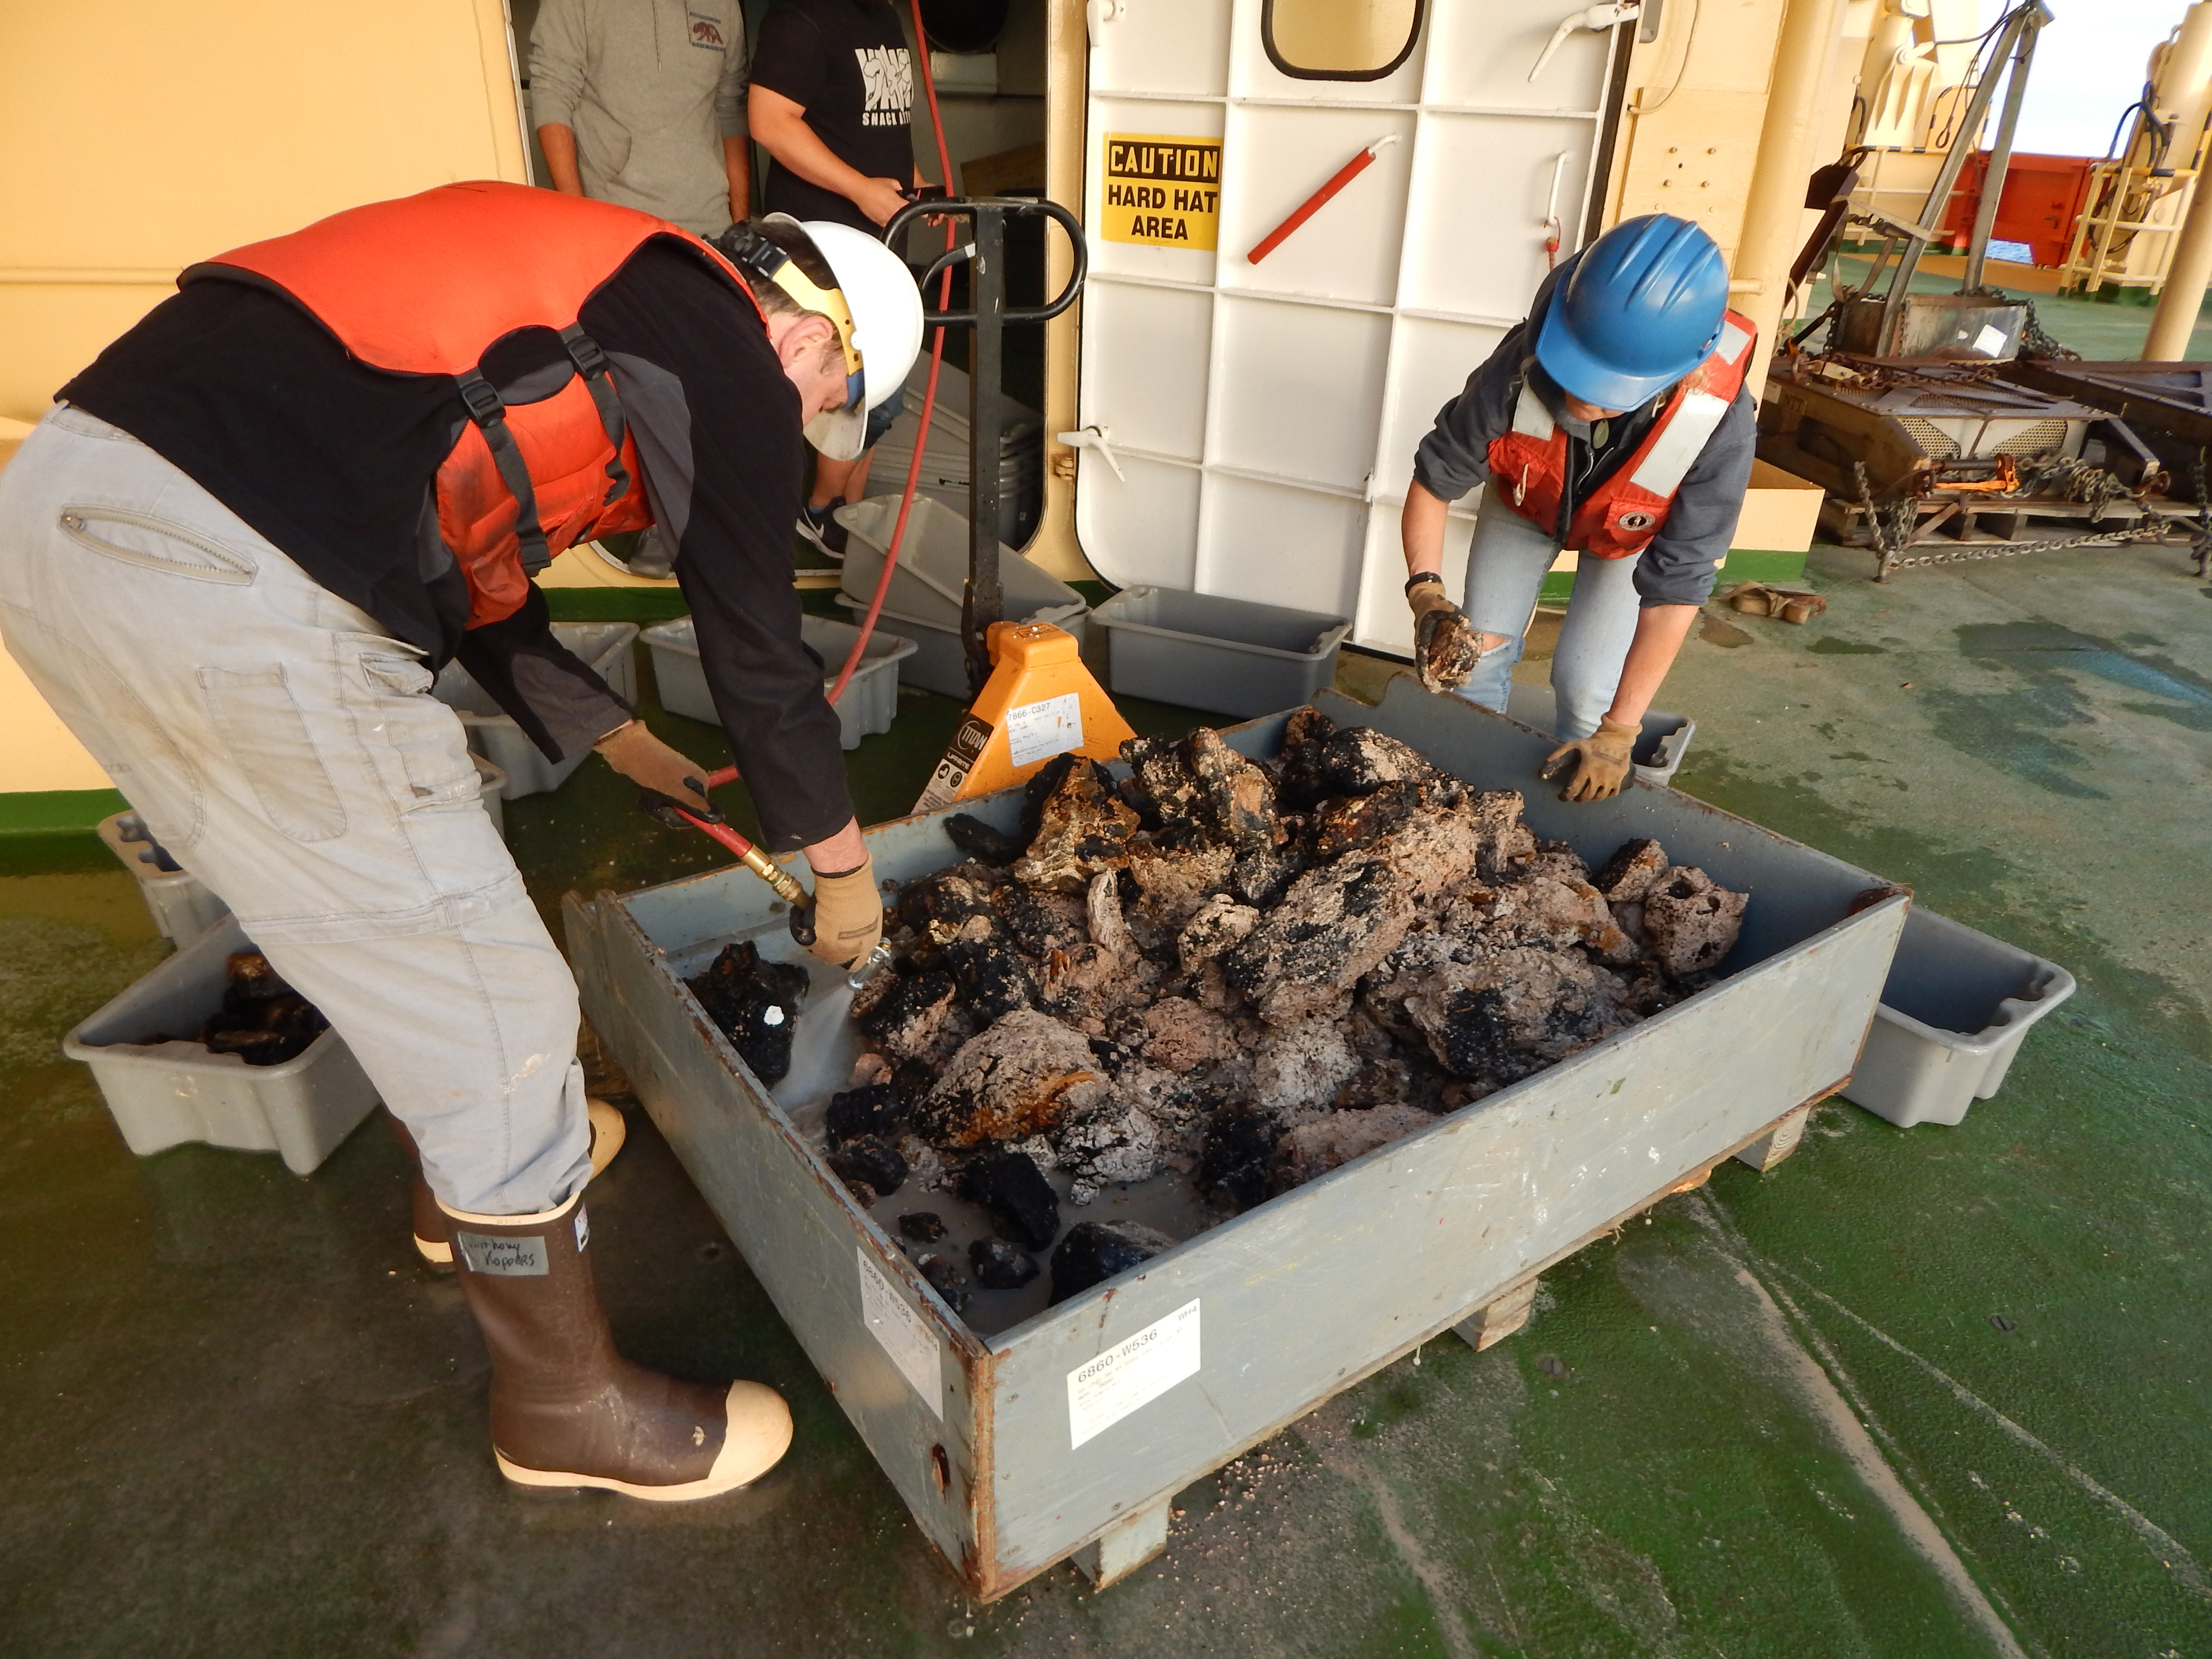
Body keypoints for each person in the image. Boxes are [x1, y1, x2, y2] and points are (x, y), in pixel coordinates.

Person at [0, 182, 922, 1503]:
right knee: (499, 1003)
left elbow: (475, 580)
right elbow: (761, 657)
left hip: (72, 522)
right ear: (811, 338)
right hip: (216, 573)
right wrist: (843, 872)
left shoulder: (593, 297)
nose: (800, 430)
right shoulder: (721, 338)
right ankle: (564, 1408)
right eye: (821, 404)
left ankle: (467, 1202)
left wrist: (619, 743)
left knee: (384, 928)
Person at [1400, 214, 1756, 802]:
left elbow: (1677, 592)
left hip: (1630, 533)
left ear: (1669, 375)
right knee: (1477, 657)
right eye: (1574, 373)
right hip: (1526, 499)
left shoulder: (1718, 423)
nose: (1580, 398)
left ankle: (1568, 828)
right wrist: (1426, 593)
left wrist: (1620, 731)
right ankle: (1472, 800)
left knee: (1589, 690)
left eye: (1607, 387)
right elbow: (1435, 481)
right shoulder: (1520, 363)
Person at [530, 0, 759, 580]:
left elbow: (731, 108)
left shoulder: (722, 8)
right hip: (617, 226)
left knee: (718, 378)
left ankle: (722, 519)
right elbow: (552, 96)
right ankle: (660, 523)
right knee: (644, 385)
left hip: (706, 225)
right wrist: (577, 215)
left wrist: (739, 215)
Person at [746, 0, 923, 554]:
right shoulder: (802, 17)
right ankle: (812, 512)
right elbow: (769, 123)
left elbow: (879, 119)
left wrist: (914, 185)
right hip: (824, 256)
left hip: (882, 243)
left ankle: (843, 518)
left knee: (879, 394)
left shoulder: (883, 16)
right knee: (844, 392)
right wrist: (861, 191)